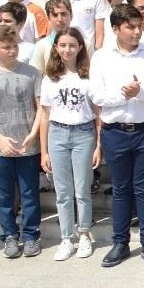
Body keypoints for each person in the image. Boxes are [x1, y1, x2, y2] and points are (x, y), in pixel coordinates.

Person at [90, 4, 144, 269]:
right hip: (115, 132)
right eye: (130, 27)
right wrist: (123, 94)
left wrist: (140, 92)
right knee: (121, 189)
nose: (137, 32)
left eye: (139, 26)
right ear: (115, 29)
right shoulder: (101, 57)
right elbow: (97, 96)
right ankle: (120, 243)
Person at [0, 24, 43, 259]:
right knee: (3, 195)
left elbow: (41, 107)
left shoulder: (32, 73)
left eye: (14, 46)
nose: (12, 51)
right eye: (6, 47)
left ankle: (32, 235)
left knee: (30, 192)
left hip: (27, 145)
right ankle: (10, 236)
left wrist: (33, 134)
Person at [39, 28, 99, 261]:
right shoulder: (49, 79)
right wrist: (44, 151)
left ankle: (84, 234)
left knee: (82, 188)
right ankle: (67, 238)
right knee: (63, 191)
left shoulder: (88, 76)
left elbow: (97, 114)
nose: (67, 49)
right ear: (56, 48)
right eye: (62, 45)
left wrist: (98, 145)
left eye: (72, 45)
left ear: (80, 47)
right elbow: (44, 116)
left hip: (83, 133)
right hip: (58, 134)